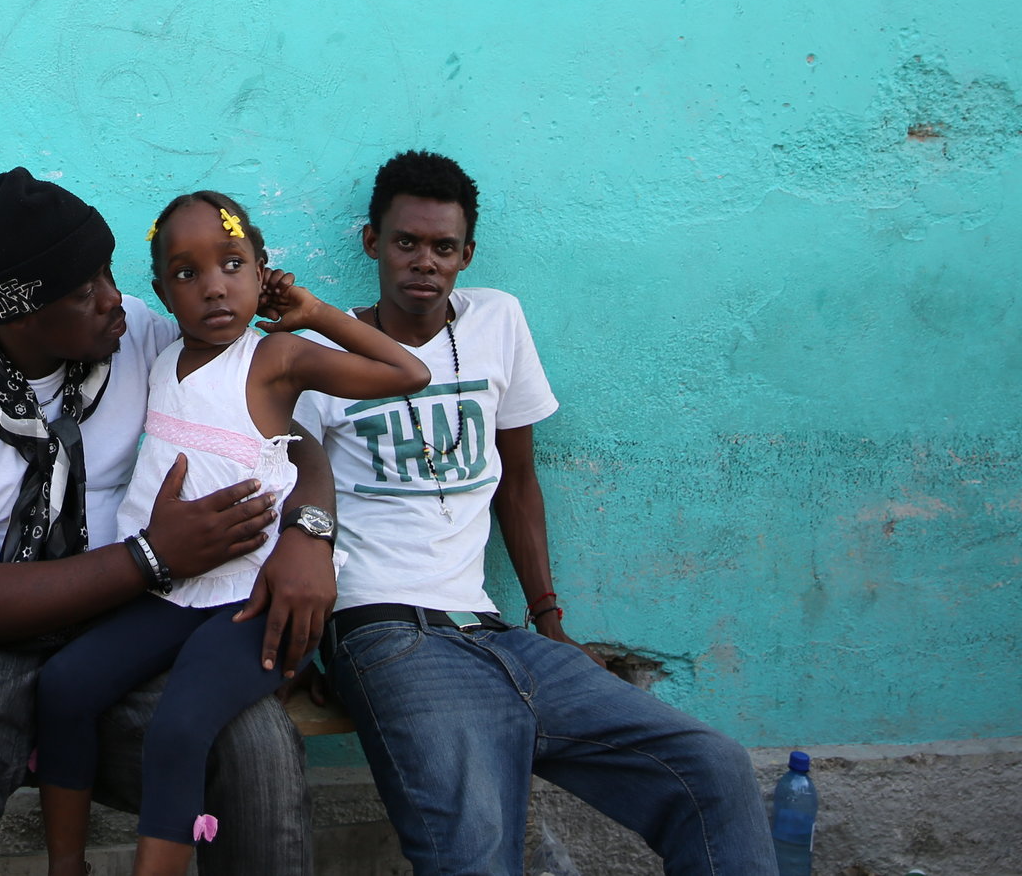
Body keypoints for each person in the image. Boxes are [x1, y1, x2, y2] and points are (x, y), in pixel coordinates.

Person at [0, 168, 341, 876]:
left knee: (254, 746)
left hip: (126, 623)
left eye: (109, 272)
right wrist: (152, 555)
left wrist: (309, 532)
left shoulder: (135, 336)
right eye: (86, 292)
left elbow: (289, 441)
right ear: (19, 316)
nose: (117, 301)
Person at [302, 152, 771, 876]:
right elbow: (291, 503)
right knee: (477, 855)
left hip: (495, 635)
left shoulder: (498, 319)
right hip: (387, 629)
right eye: (406, 242)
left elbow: (517, 480)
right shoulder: (318, 354)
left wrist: (549, 621)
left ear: (467, 255)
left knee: (714, 768)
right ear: (372, 242)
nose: (423, 262)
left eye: (443, 247)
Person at [36, 192, 425, 876]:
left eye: (233, 263)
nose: (213, 285)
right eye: (186, 273)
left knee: (181, 725)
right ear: (159, 291)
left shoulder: (274, 359)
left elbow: (407, 373)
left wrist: (314, 314)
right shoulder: (156, 356)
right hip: (164, 590)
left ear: (261, 270)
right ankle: (66, 864)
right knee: (65, 684)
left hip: (248, 603)